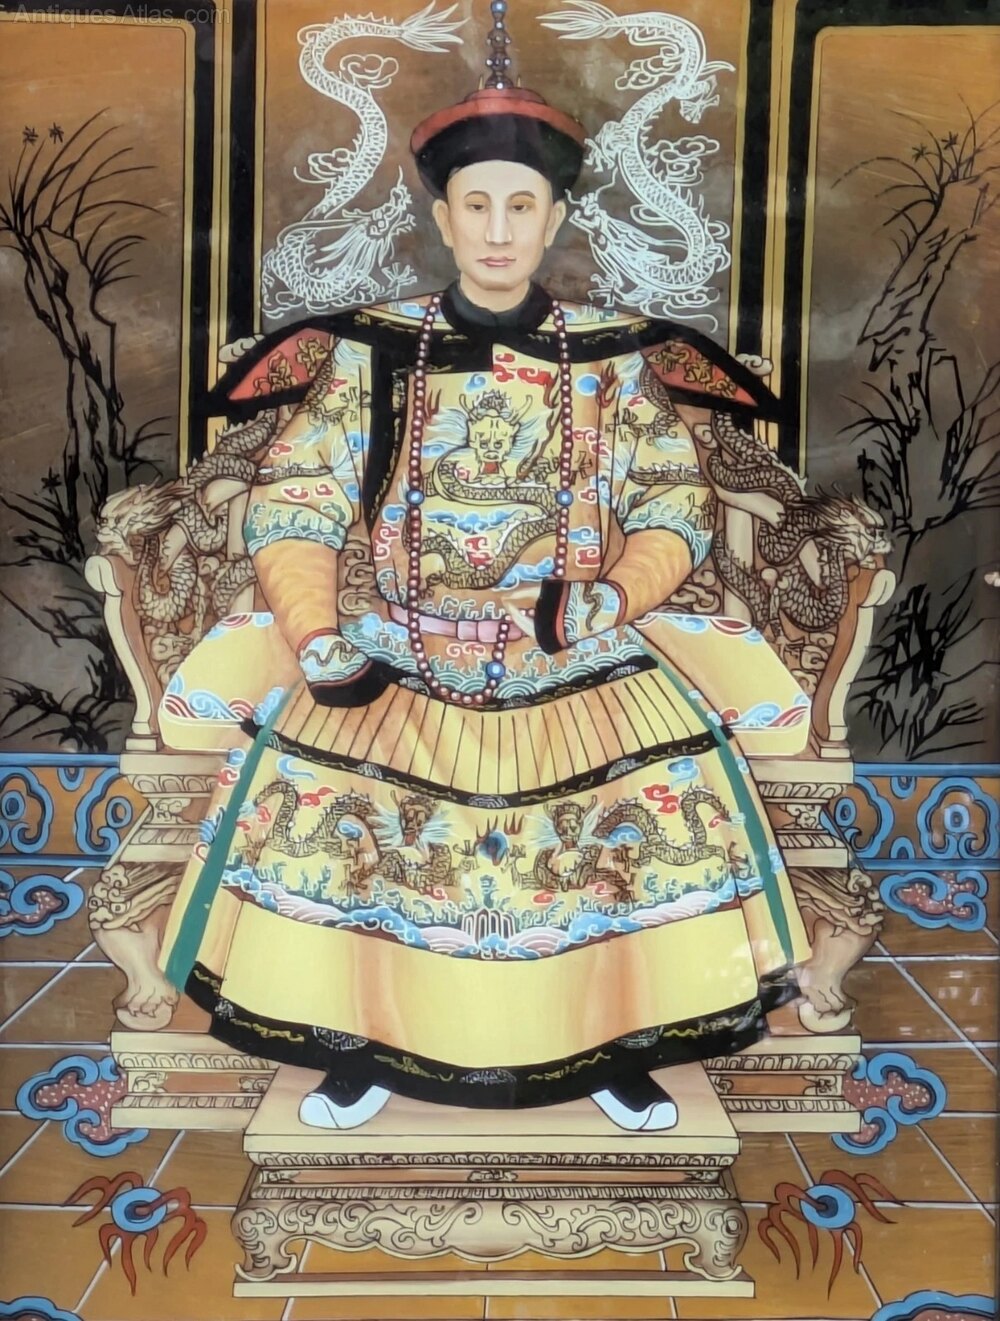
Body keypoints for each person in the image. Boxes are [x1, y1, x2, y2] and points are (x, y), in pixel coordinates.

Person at [158, 5, 811, 1133]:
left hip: (574, 642)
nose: (498, 231)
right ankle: (363, 1040)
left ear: (554, 217)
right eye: (476, 206)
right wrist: (318, 633)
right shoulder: (371, 352)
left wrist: (602, 598)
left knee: (641, 811)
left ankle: (611, 1042)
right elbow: (297, 499)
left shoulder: (611, 359)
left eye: (521, 206)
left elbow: (674, 505)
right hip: (406, 644)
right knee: (341, 806)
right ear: (442, 216)